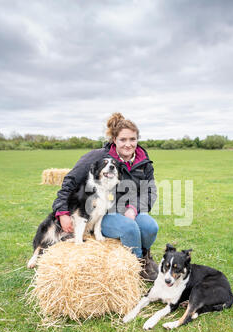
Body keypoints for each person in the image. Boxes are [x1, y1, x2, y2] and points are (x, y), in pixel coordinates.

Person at [52, 112, 159, 281]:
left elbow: (149, 191)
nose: (128, 144)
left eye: (132, 139)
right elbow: (70, 182)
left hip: (132, 209)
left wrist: (133, 208)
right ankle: (138, 265)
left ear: (137, 139)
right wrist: (63, 211)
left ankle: (146, 255)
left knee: (150, 227)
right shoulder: (98, 156)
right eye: (123, 140)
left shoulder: (143, 161)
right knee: (129, 228)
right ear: (114, 140)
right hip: (105, 212)